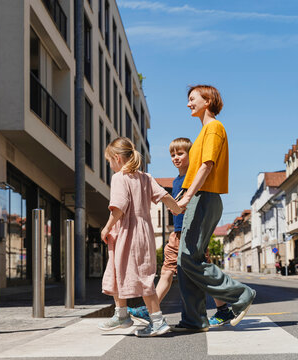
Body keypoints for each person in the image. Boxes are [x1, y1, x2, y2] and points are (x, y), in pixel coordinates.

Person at [173, 85, 256, 332]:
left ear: (207, 100)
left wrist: (187, 197)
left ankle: (241, 294)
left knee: (189, 258)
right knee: (184, 261)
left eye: (192, 99)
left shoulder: (213, 128)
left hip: (204, 197)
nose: (188, 104)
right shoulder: (202, 132)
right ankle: (193, 319)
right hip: (200, 197)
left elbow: (206, 165)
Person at [127, 137, 232, 328]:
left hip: (191, 233)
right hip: (177, 233)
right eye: (172, 155)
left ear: (190, 154)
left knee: (199, 273)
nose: (175, 158)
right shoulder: (176, 181)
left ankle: (223, 309)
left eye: (180, 153)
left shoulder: (192, 179)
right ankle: (151, 308)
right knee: (169, 270)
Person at [98, 137, 183, 337]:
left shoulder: (119, 177)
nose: (110, 166)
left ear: (117, 158)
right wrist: (178, 209)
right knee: (132, 273)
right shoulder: (146, 177)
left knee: (137, 277)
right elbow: (165, 197)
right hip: (145, 232)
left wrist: (106, 228)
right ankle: (122, 314)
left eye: (109, 161)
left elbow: (118, 208)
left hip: (128, 231)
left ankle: (156, 322)